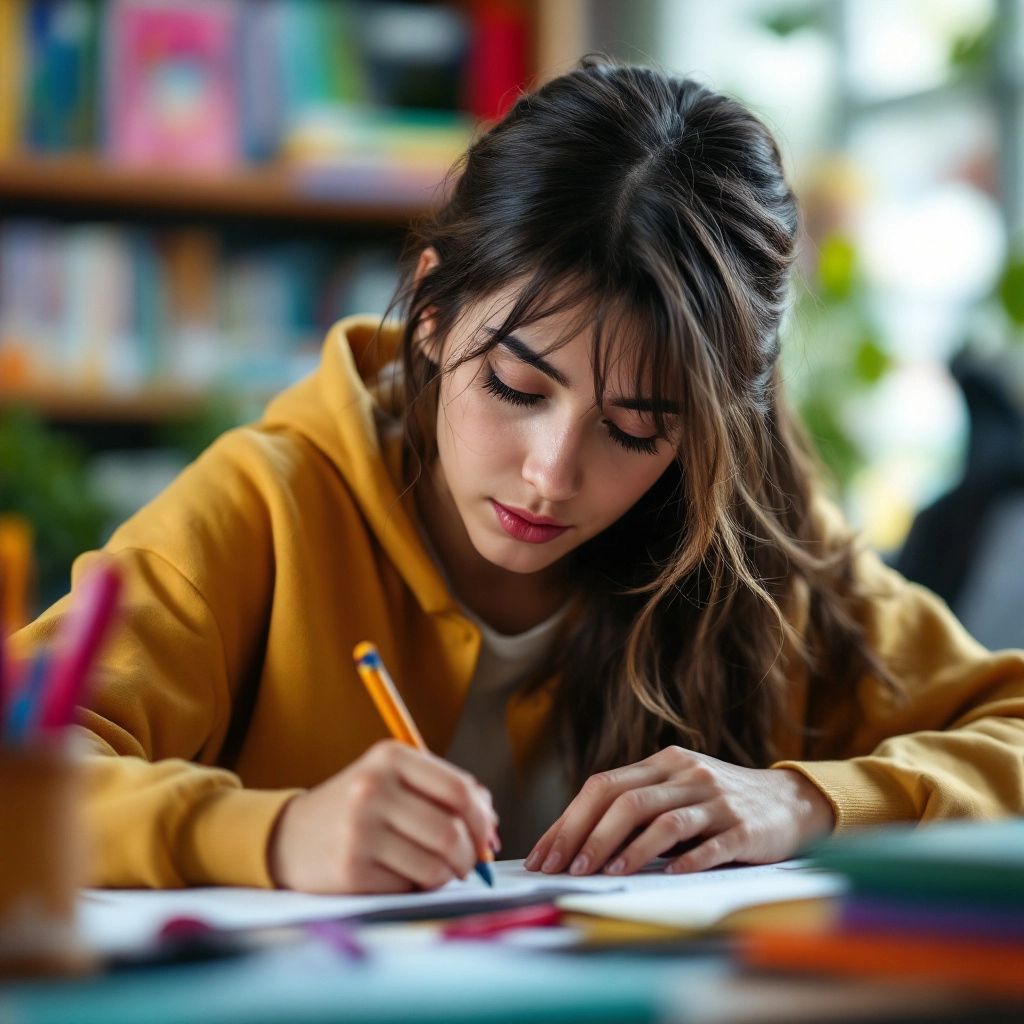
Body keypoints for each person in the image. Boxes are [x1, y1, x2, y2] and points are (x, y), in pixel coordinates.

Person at [16, 57, 1024, 894]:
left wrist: (806, 801)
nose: (550, 474)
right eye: (512, 384)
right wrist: (270, 835)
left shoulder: (757, 549)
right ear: (431, 309)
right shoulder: (265, 506)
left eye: (637, 429)